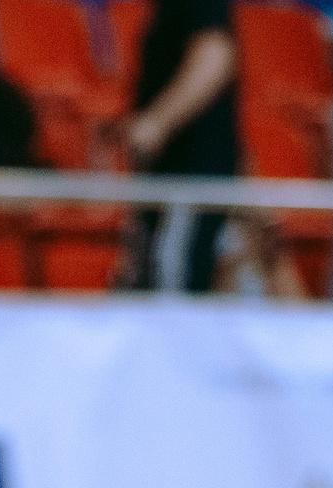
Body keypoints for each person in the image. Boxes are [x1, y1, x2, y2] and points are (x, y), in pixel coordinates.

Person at [119, 0, 238, 295]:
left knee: (178, 289)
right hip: (175, 177)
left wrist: (157, 122)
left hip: (192, 178)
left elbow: (215, 55)